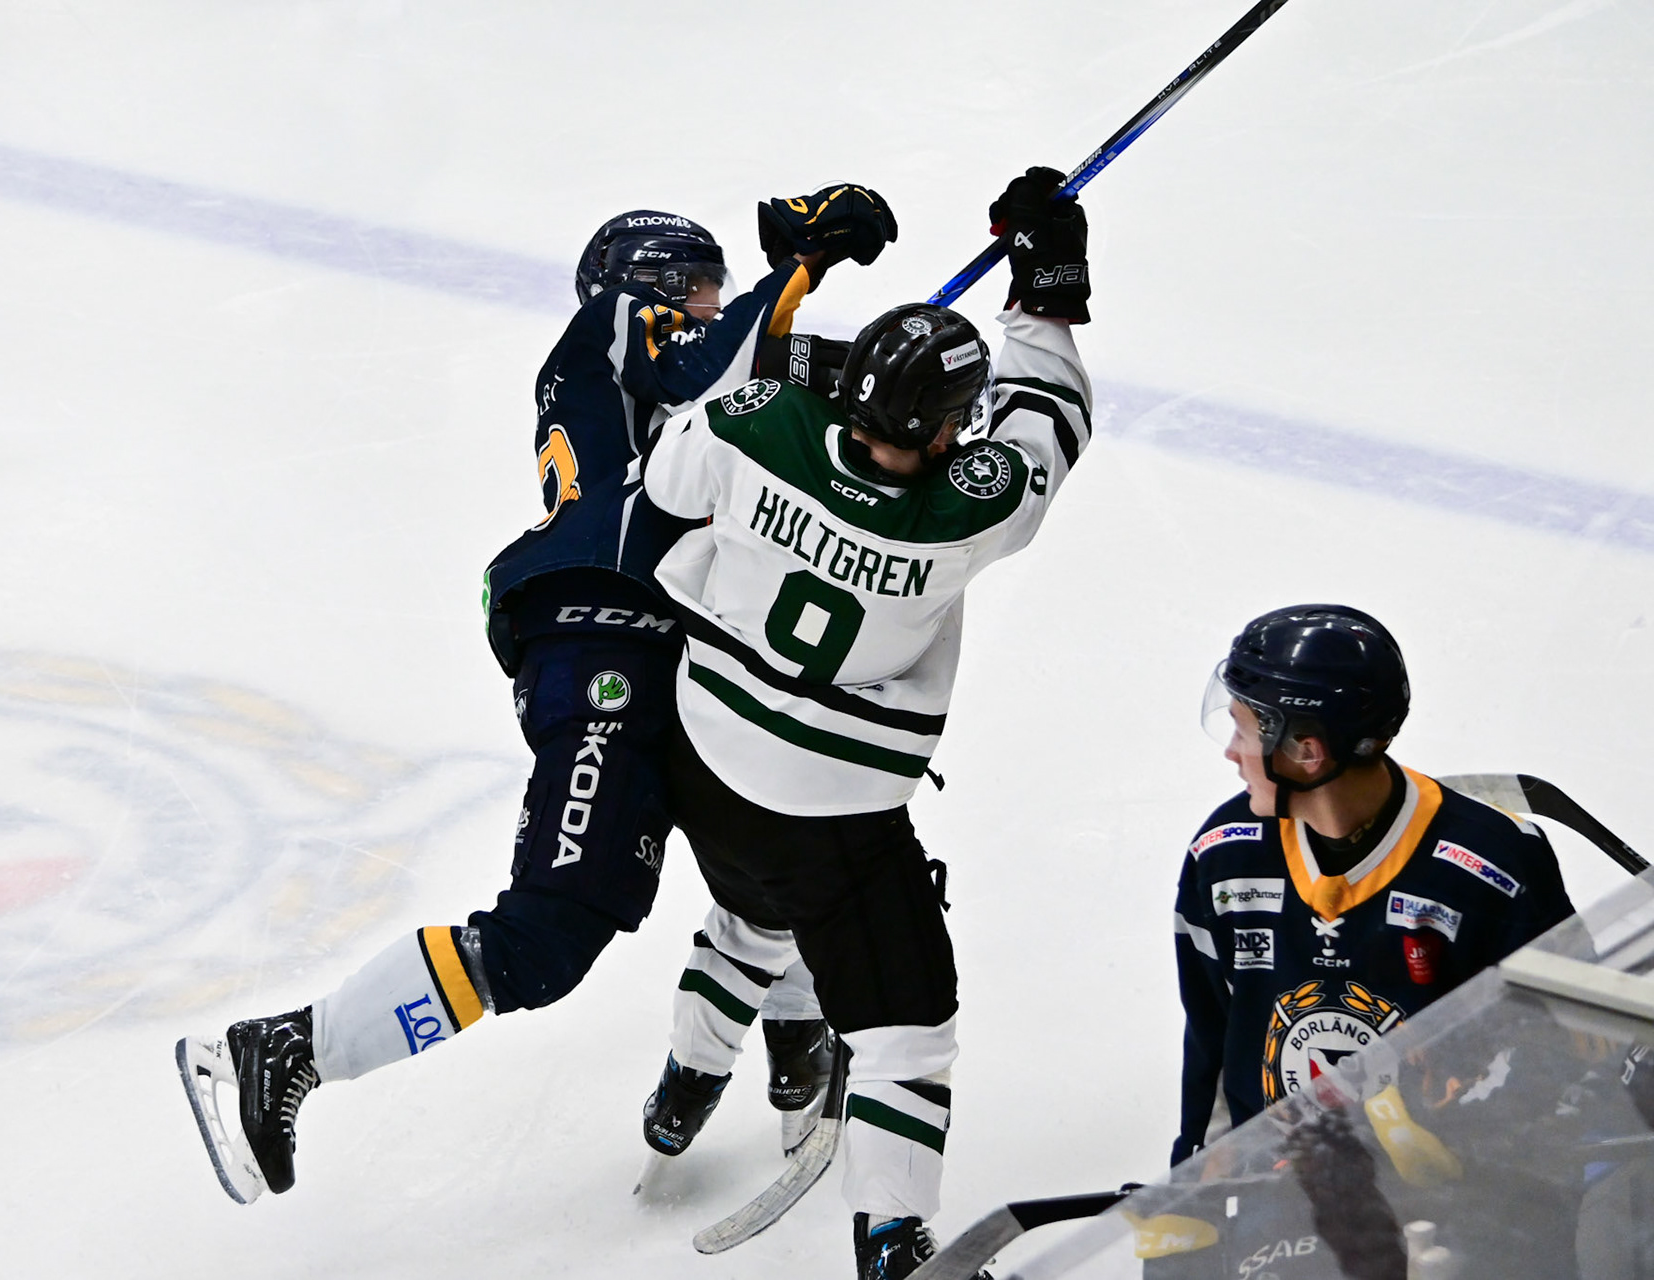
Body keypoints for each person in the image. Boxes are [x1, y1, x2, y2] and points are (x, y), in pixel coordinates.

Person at [174, 186, 898, 1205]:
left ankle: (797, 1044)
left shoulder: (678, 368)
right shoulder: (618, 325)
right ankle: (286, 1046)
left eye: (718, 285)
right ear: (645, 284)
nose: (712, 297)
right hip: (605, 638)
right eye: (697, 283)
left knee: (784, 841)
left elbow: (790, 377)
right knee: (547, 933)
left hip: (674, 648)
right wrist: (804, 264)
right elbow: (718, 367)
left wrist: (915, 365)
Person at [635, 166, 1096, 1280]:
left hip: (704, 759)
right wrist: (1045, 290)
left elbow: (670, 476)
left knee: (751, 910)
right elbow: (1049, 417)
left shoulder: (763, 424)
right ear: (943, 431)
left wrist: (822, 369)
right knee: (906, 1032)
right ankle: (892, 1237)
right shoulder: (962, 511)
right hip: (833, 811)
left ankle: (685, 1085)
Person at [1172, 604, 1576, 1168]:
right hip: (1281, 1189)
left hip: (1458, 1193)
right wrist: (1195, 1181)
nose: (1231, 752)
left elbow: (1565, 1053)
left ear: (1306, 751)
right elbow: (1213, 1039)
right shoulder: (1226, 853)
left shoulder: (1493, 865)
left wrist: (1469, 1152)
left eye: (1242, 730)